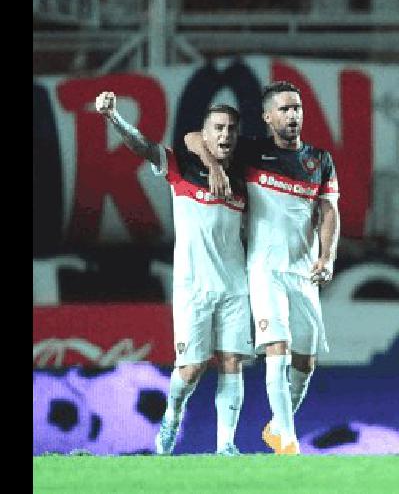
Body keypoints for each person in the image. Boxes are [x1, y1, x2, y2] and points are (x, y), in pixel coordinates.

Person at [185, 81, 340, 455]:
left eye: (297, 108)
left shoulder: (319, 160)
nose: (293, 115)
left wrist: (328, 255)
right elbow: (192, 138)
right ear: (268, 117)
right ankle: (289, 440)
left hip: (303, 272)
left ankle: (277, 427)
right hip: (264, 270)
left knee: (306, 360)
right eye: (284, 109)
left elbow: (328, 210)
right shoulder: (252, 152)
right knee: (278, 348)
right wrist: (215, 169)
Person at [94, 92, 253, 456]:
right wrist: (115, 119)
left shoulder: (245, 176)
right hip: (193, 288)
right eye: (218, 129)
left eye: (231, 129)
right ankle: (172, 414)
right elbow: (146, 147)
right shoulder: (182, 165)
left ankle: (225, 445)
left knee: (232, 362)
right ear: (206, 133)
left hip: (234, 286)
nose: (225, 135)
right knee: (192, 368)